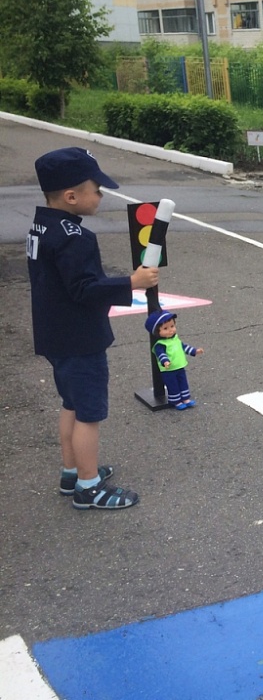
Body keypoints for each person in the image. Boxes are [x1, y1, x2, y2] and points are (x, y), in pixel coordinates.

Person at [27, 147, 159, 510]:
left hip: (55, 335)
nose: (101, 195)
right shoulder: (75, 237)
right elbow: (84, 289)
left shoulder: (42, 226)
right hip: (79, 339)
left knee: (71, 404)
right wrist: (132, 282)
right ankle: (89, 487)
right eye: (96, 189)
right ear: (71, 196)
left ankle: (72, 472)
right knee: (89, 414)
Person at [145, 310, 203, 410]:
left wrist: (195, 351)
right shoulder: (160, 344)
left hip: (180, 366)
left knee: (183, 382)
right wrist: (165, 361)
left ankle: (185, 398)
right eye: (165, 328)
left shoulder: (175, 339)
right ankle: (176, 401)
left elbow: (184, 347)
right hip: (169, 370)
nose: (170, 330)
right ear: (157, 332)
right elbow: (161, 354)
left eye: (172, 326)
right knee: (173, 385)